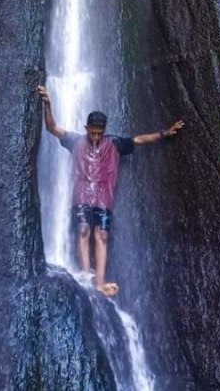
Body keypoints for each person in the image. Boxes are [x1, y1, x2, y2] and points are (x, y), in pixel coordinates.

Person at [37, 84, 184, 298]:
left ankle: (100, 282)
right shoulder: (75, 141)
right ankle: (86, 276)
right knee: (84, 230)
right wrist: (48, 104)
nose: (96, 137)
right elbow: (52, 128)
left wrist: (164, 133)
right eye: (93, 132)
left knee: (102, 235)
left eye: (100, 133)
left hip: (104, 199)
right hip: (82, 196)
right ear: (86, 128)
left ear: (104, 131)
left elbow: (139, 139)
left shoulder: (114, 143)